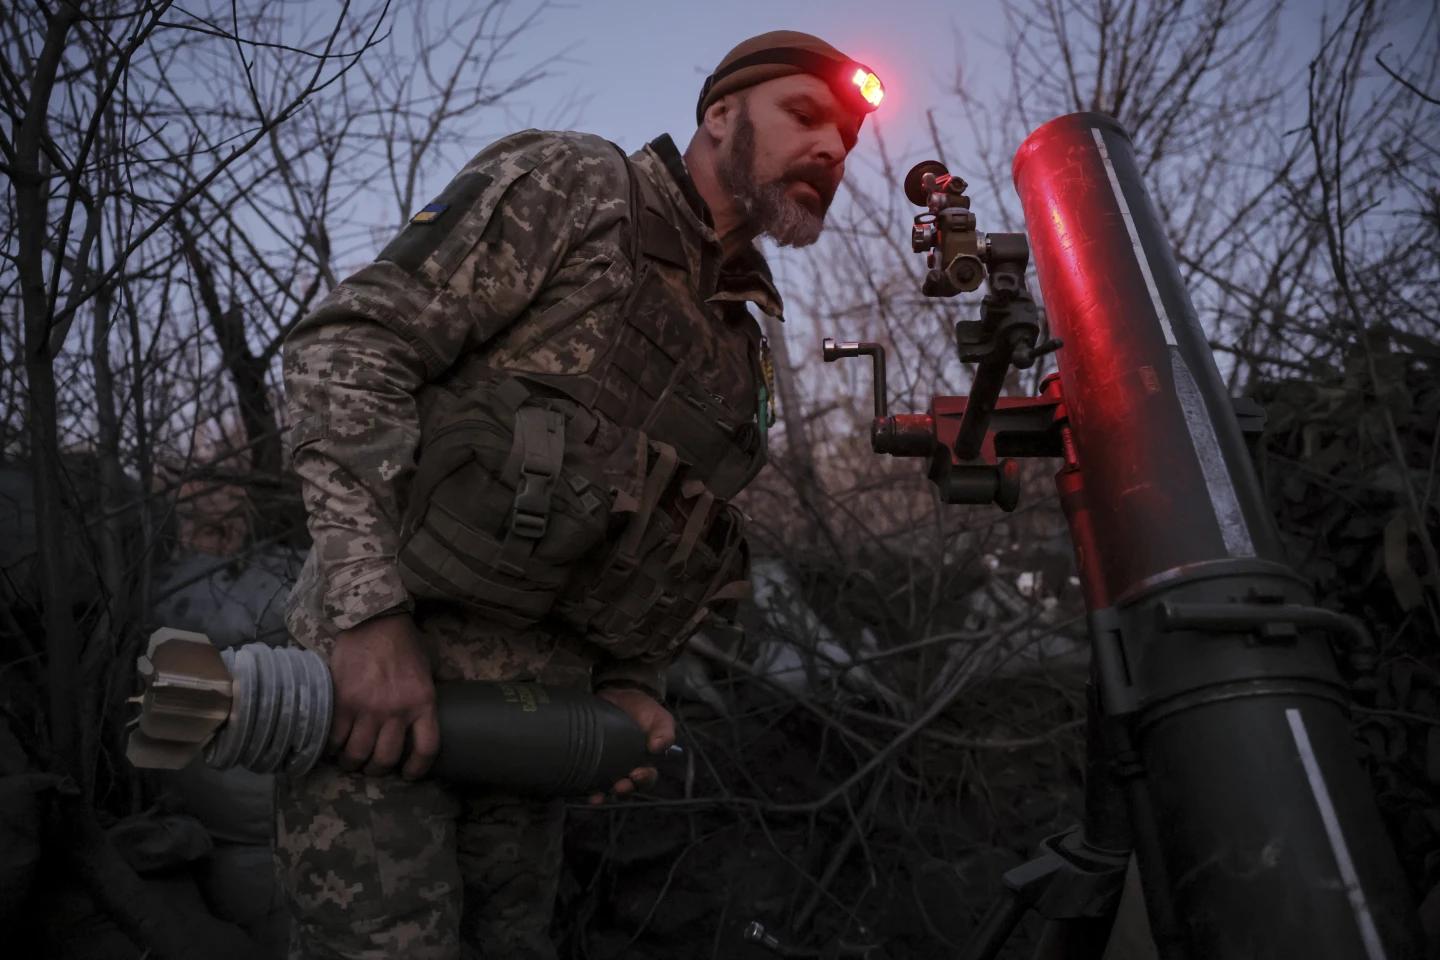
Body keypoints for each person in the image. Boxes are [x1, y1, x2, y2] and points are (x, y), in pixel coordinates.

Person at [276, 29, 883, 959]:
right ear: (721, 115)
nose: (833, 149)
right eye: (806, 115)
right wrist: (367, 617)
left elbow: (669, 534)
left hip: (536, 737)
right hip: (385, 695)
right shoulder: (581, 188)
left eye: (848, 139)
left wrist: (630, 688)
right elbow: (349, 350)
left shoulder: (741, 347)